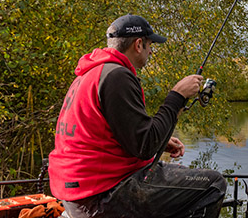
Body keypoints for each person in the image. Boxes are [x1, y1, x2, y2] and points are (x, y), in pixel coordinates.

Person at [48, 14, 227, 218]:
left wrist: (162, 141)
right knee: (214, 184)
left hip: (79, 193)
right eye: (150, 44)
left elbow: (124, 136)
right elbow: (144, 147)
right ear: (139, 44)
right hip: (102, 195)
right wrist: (177, 95)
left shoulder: (91, 74)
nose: (151, 51)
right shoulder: (117, 76)